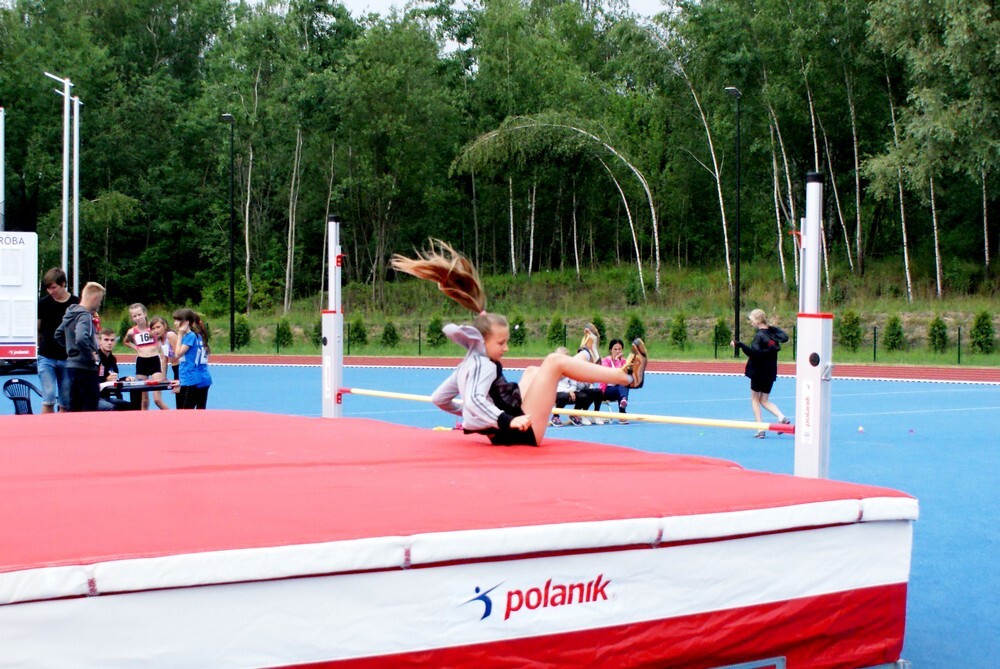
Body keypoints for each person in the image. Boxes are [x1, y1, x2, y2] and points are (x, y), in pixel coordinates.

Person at [390, 240, 647, 446]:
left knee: (532, 371)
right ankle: (627, 378)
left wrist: (476, 418)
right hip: (520, 433)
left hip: (510, 422)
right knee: (554, 362)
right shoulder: (485, 365)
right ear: (482, 341)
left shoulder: (468, 364)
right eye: (501, 343)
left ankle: (586, 354)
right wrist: (504, 420)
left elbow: (439, 399)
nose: (506, 349)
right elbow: (476, 400)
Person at [732, 308, 792, 438]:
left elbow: (754, 353)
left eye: (752, 320)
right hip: (770, 372)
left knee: (754, 399)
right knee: (764, 400)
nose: (751, 323)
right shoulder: (773, 333)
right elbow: (784, 337)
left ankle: (760, 429)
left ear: (758, 321)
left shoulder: (760, 336)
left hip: (759, 371)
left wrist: (740, 345)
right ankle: (781, 416)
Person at [53, 282, 105, 412]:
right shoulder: (85, 316)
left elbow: (58, 334)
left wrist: (71, 349)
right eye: (100, 301)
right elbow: (81, 337)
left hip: (72, 366)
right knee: (90, 407)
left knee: (75, 407)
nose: (99, 304)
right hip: (86, 368)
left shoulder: (70, 313)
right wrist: (90, 355)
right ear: (94, 298)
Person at [36, 268, 79, 413]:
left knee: (65, 400)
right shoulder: (43, 303)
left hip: (67, 358)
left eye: (53, 287)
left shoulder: (75, 303)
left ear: (63, 284)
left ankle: (62, 431)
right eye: (48, 288)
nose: (51, 291)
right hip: (46, 357)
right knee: (48, 396)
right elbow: (38, 328)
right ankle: (44, 430)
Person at [124, 303, 169, 410]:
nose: (137, 318)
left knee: (157, 399)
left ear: (145, 313)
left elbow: (164, 337)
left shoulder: (153, 328)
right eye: (134, 316)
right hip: (141, 362)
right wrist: (136, 348)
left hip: (154, 361)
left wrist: (159, 347)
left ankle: (172, 416)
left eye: (139, 314)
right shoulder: (132, 331)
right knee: (143, 401)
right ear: (132, 318)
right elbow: (126, 341)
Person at [173, 308, 212, 409]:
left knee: (186, 411)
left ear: (188, 323)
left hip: (194, 377)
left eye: (178, 320)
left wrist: (179, 335)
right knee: (198, 410)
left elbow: (178, 354)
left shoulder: (191, 337)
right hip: (201, 376)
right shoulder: (200, 338)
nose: (175, 323)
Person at [97, 329, 135, 411]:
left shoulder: (112, 359)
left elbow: (114, 379)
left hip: (104, 397)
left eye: (112, 340)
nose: (109, 343)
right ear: (99, 341)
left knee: (131, 407)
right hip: (92, 398)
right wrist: (106, 379)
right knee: (111, 408)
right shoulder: (95, 358)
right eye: (106, 340)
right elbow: (89, 381)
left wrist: (124, 379)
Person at [150, 315, 181, 407]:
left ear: (165, 326)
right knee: (179, 402)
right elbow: (164, 359)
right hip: (175, 368)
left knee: (183, 402)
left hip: (182, 368)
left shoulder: (170, 335)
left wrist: (180, 380)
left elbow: (180, 356)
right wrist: (163, 378)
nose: (156, 330)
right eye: (153, 328)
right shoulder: (160, 341)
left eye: (158, 327)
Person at [600, 339, 631, 424]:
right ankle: (622, 413)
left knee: (624, 385)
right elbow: (613, 376)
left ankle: (623, 403)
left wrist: (620, 362)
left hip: (619, 388)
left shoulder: (624, 362)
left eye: (619, 349)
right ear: (611, 350)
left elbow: (625, 376)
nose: (618, 351)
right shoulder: (605, 361)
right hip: (607, 390)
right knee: (620, 387)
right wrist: (617, 362)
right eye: (615, 349)